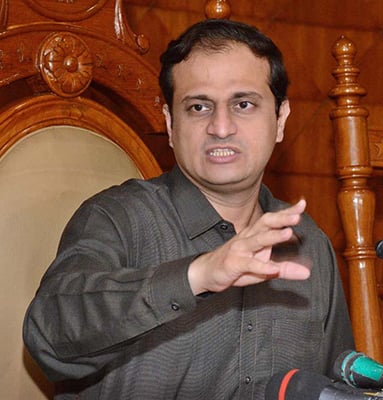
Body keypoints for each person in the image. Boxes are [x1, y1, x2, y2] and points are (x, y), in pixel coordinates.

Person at [23, 19, 354, 399]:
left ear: (280, 120)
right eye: (199, 107)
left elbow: (337, 384)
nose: (221, 127)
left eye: (243, 104)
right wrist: (198, 275)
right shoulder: (117, 218)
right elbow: (47, 338)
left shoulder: (307, 242)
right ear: (170, 123)